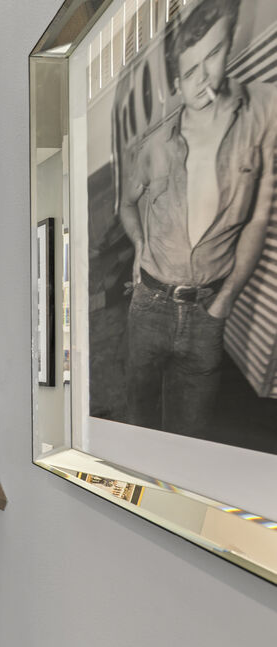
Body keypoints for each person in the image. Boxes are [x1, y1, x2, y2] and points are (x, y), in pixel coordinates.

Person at [119, 0, 277, 437]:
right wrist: (138, 245)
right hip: (148, 304)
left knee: (192, 432)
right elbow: (126, 204)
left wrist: (225, 300)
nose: (205, 78)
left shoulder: (260, 117)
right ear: (176, 82)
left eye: (215, 55)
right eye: (190, 71)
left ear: (230, 47)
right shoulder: (153, 147)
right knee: (139, 416)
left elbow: (257, 221)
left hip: (208, 310)